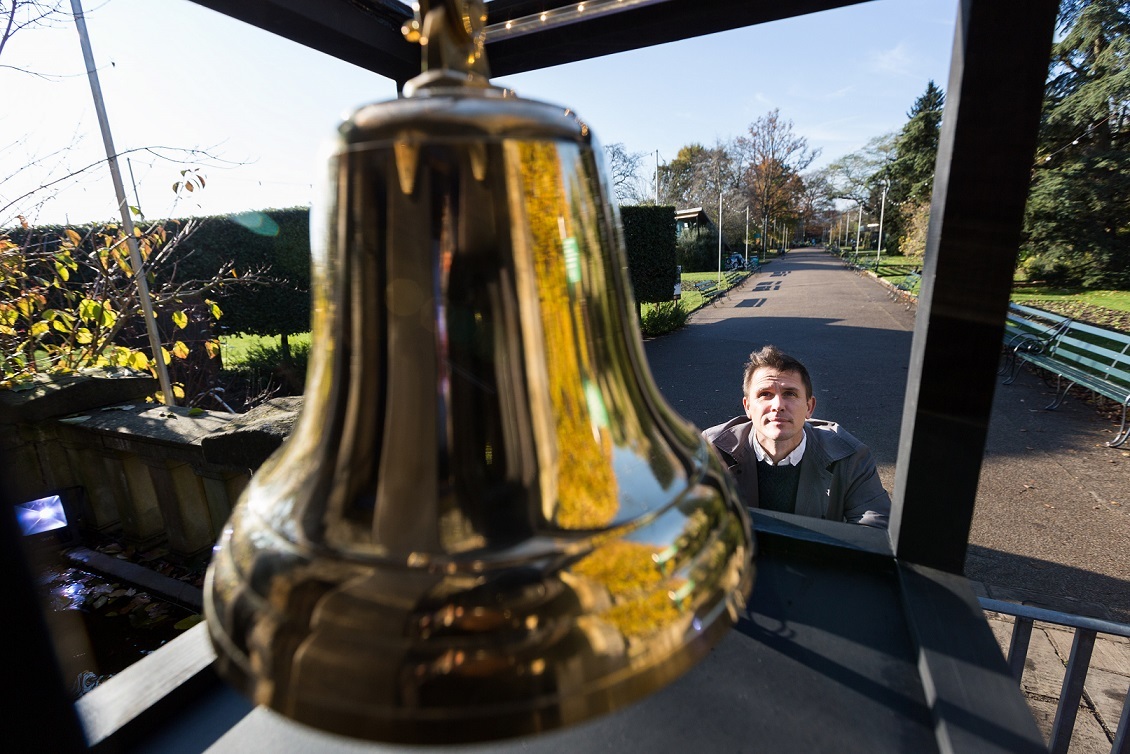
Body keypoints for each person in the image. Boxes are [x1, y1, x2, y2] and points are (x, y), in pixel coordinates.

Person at [702, 345, 890, 529]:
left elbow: (876, 528)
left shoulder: (850, 456)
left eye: (790, 394)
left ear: (809, 407)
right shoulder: (710, 450)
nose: (778, 405)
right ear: (748, 407)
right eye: (765, 394)